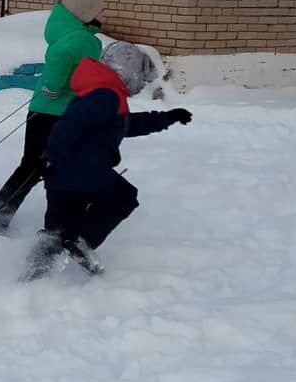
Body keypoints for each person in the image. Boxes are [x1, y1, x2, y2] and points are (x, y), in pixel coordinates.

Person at [21, 42, 192, 281]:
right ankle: (84, 242)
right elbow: (69, 125)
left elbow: (124, 125)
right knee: (124, 197)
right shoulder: (107, 95)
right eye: (140, 76)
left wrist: (166, 118)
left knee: (57, 229)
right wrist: (52, 157)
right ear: (128, 71)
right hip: (84, 171)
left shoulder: (100, 92)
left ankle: (30, 282)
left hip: (62, 175)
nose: (141, 83)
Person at [0, 0, 105, 237]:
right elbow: (61, 64)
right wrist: (53, 89)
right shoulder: (80, 39)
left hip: (46, 110)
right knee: (43, 167)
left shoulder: (64, 29)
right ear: (84, 12)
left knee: (38, 166)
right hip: (57, 113)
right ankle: (13, 219)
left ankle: (0, 216)